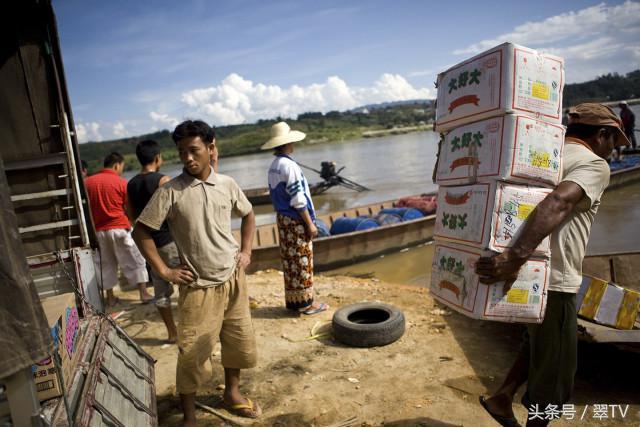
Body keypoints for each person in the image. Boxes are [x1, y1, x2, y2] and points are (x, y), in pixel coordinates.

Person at [476, 103, 630, 427]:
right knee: (555, 378)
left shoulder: (544, 156)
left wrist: (512, 258)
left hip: (527, 275)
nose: (612, 150)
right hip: (555, 280)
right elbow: (559, 202)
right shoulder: (594, 164)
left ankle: (502, 397)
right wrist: (515, 256)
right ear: (602, 134)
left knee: (537, 343)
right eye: (614, 142)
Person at [132, 120, 261, 423]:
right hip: (198, 287)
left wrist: (246, 251)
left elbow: (249, 213)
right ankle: (189, 416)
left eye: (194, 150)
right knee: (191, 353)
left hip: (233, 279)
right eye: (181, 152)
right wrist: (165, 271)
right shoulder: (171, 191)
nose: (188, 158)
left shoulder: (227, 184)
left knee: (237, 340)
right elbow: (141, 232)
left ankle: (232, 392)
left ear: (210, 148)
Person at [262, 121, 329, 315]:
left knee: (290, 261)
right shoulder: (289, 166)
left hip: (283, 219)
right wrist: (310, 223)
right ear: (287, 143)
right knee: (302, 260)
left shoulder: (274, 166)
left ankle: (294, 301)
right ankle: (307, 304)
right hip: (295, 219)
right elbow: (298, 199)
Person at [85, 152, 153, 306]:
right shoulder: (121, 182)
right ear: (117, 165)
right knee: (135, 260)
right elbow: (128, 207)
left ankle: (110, 298)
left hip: (99, 231)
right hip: (120, 228)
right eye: (121, 167)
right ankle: (143, 293)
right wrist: (132, 223)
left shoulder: (87, 183)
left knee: (106, 264)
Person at [127, 140, 178, 344]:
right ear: (157, 158)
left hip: (149, 246)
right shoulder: (163, 180)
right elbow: (178, 211)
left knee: (161, 291)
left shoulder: (130, 184)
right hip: (169, 242)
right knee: (189, 284)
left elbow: (131, 215)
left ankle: (172, 333)